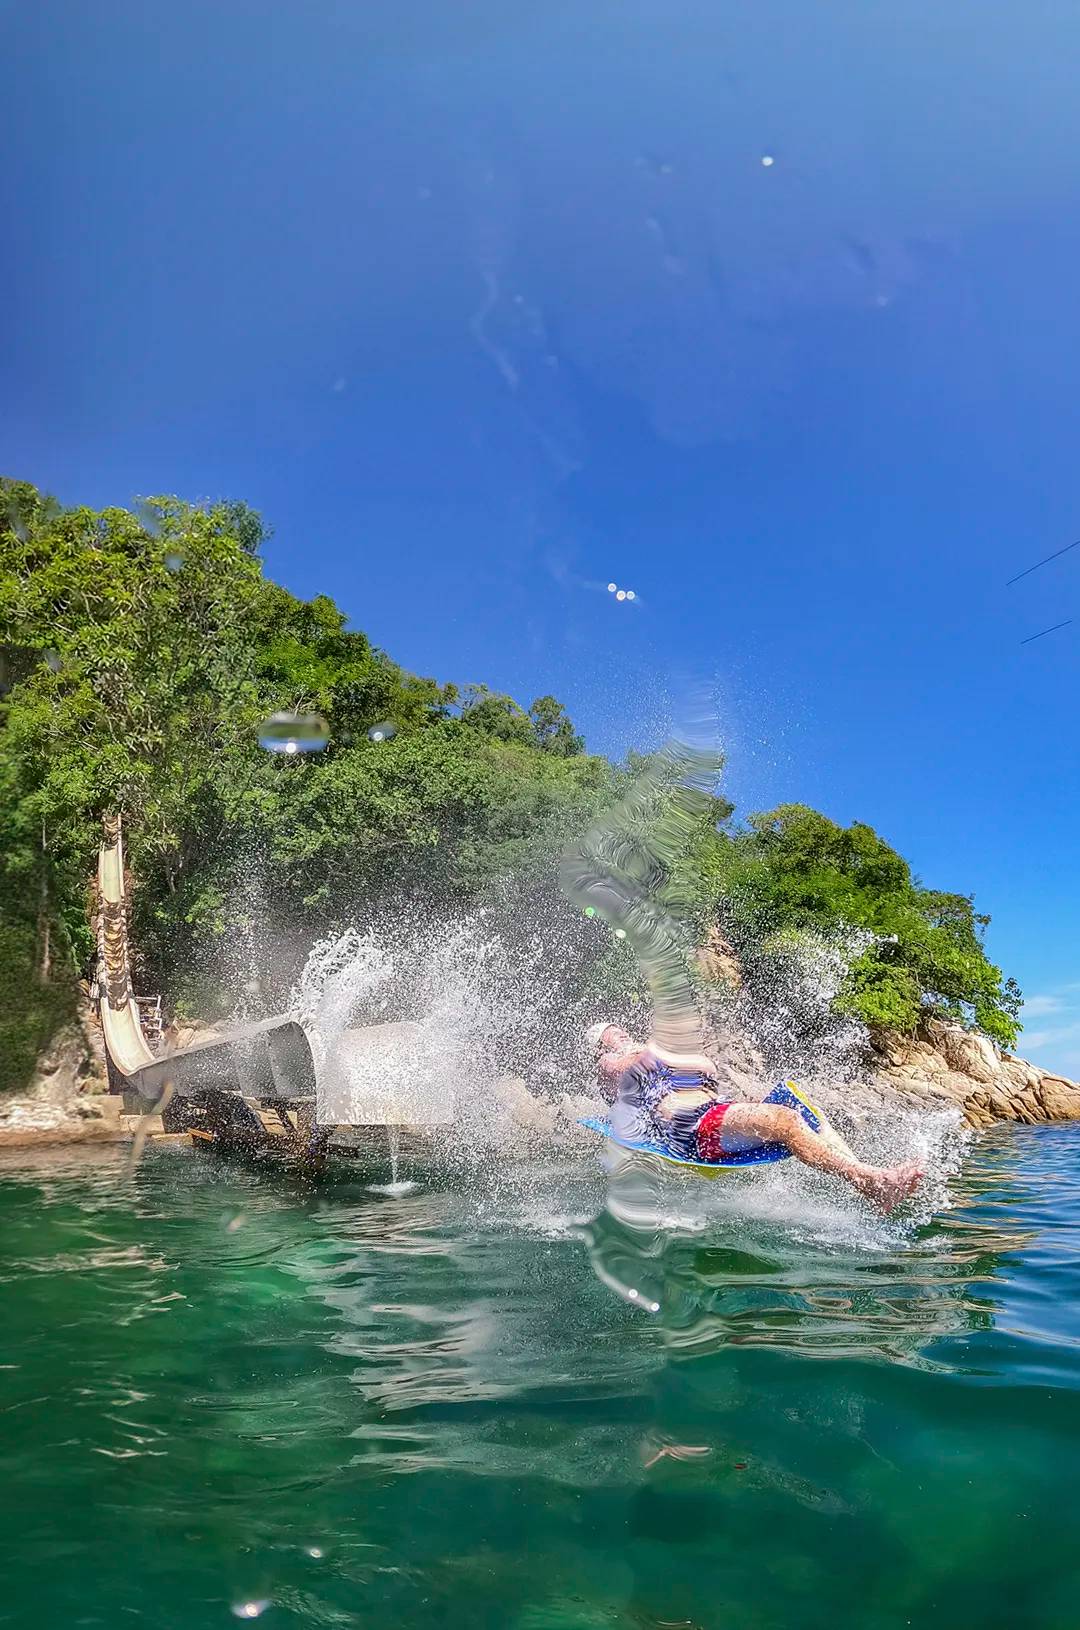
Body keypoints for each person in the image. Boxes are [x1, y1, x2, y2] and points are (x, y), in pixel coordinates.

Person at [584, 1022, 924, 1212]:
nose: (621, 1030)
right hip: (691, 1127)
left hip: (713, 1112)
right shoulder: (609, 1063)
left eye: (619, 1027)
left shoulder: (648, 1052)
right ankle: (871, 1182)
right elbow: (640, 1067)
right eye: (611, 1032)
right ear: (600, 1046)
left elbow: (700, 1069)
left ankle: (867, 1178)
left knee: (801, 1106)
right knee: (786, 1121)